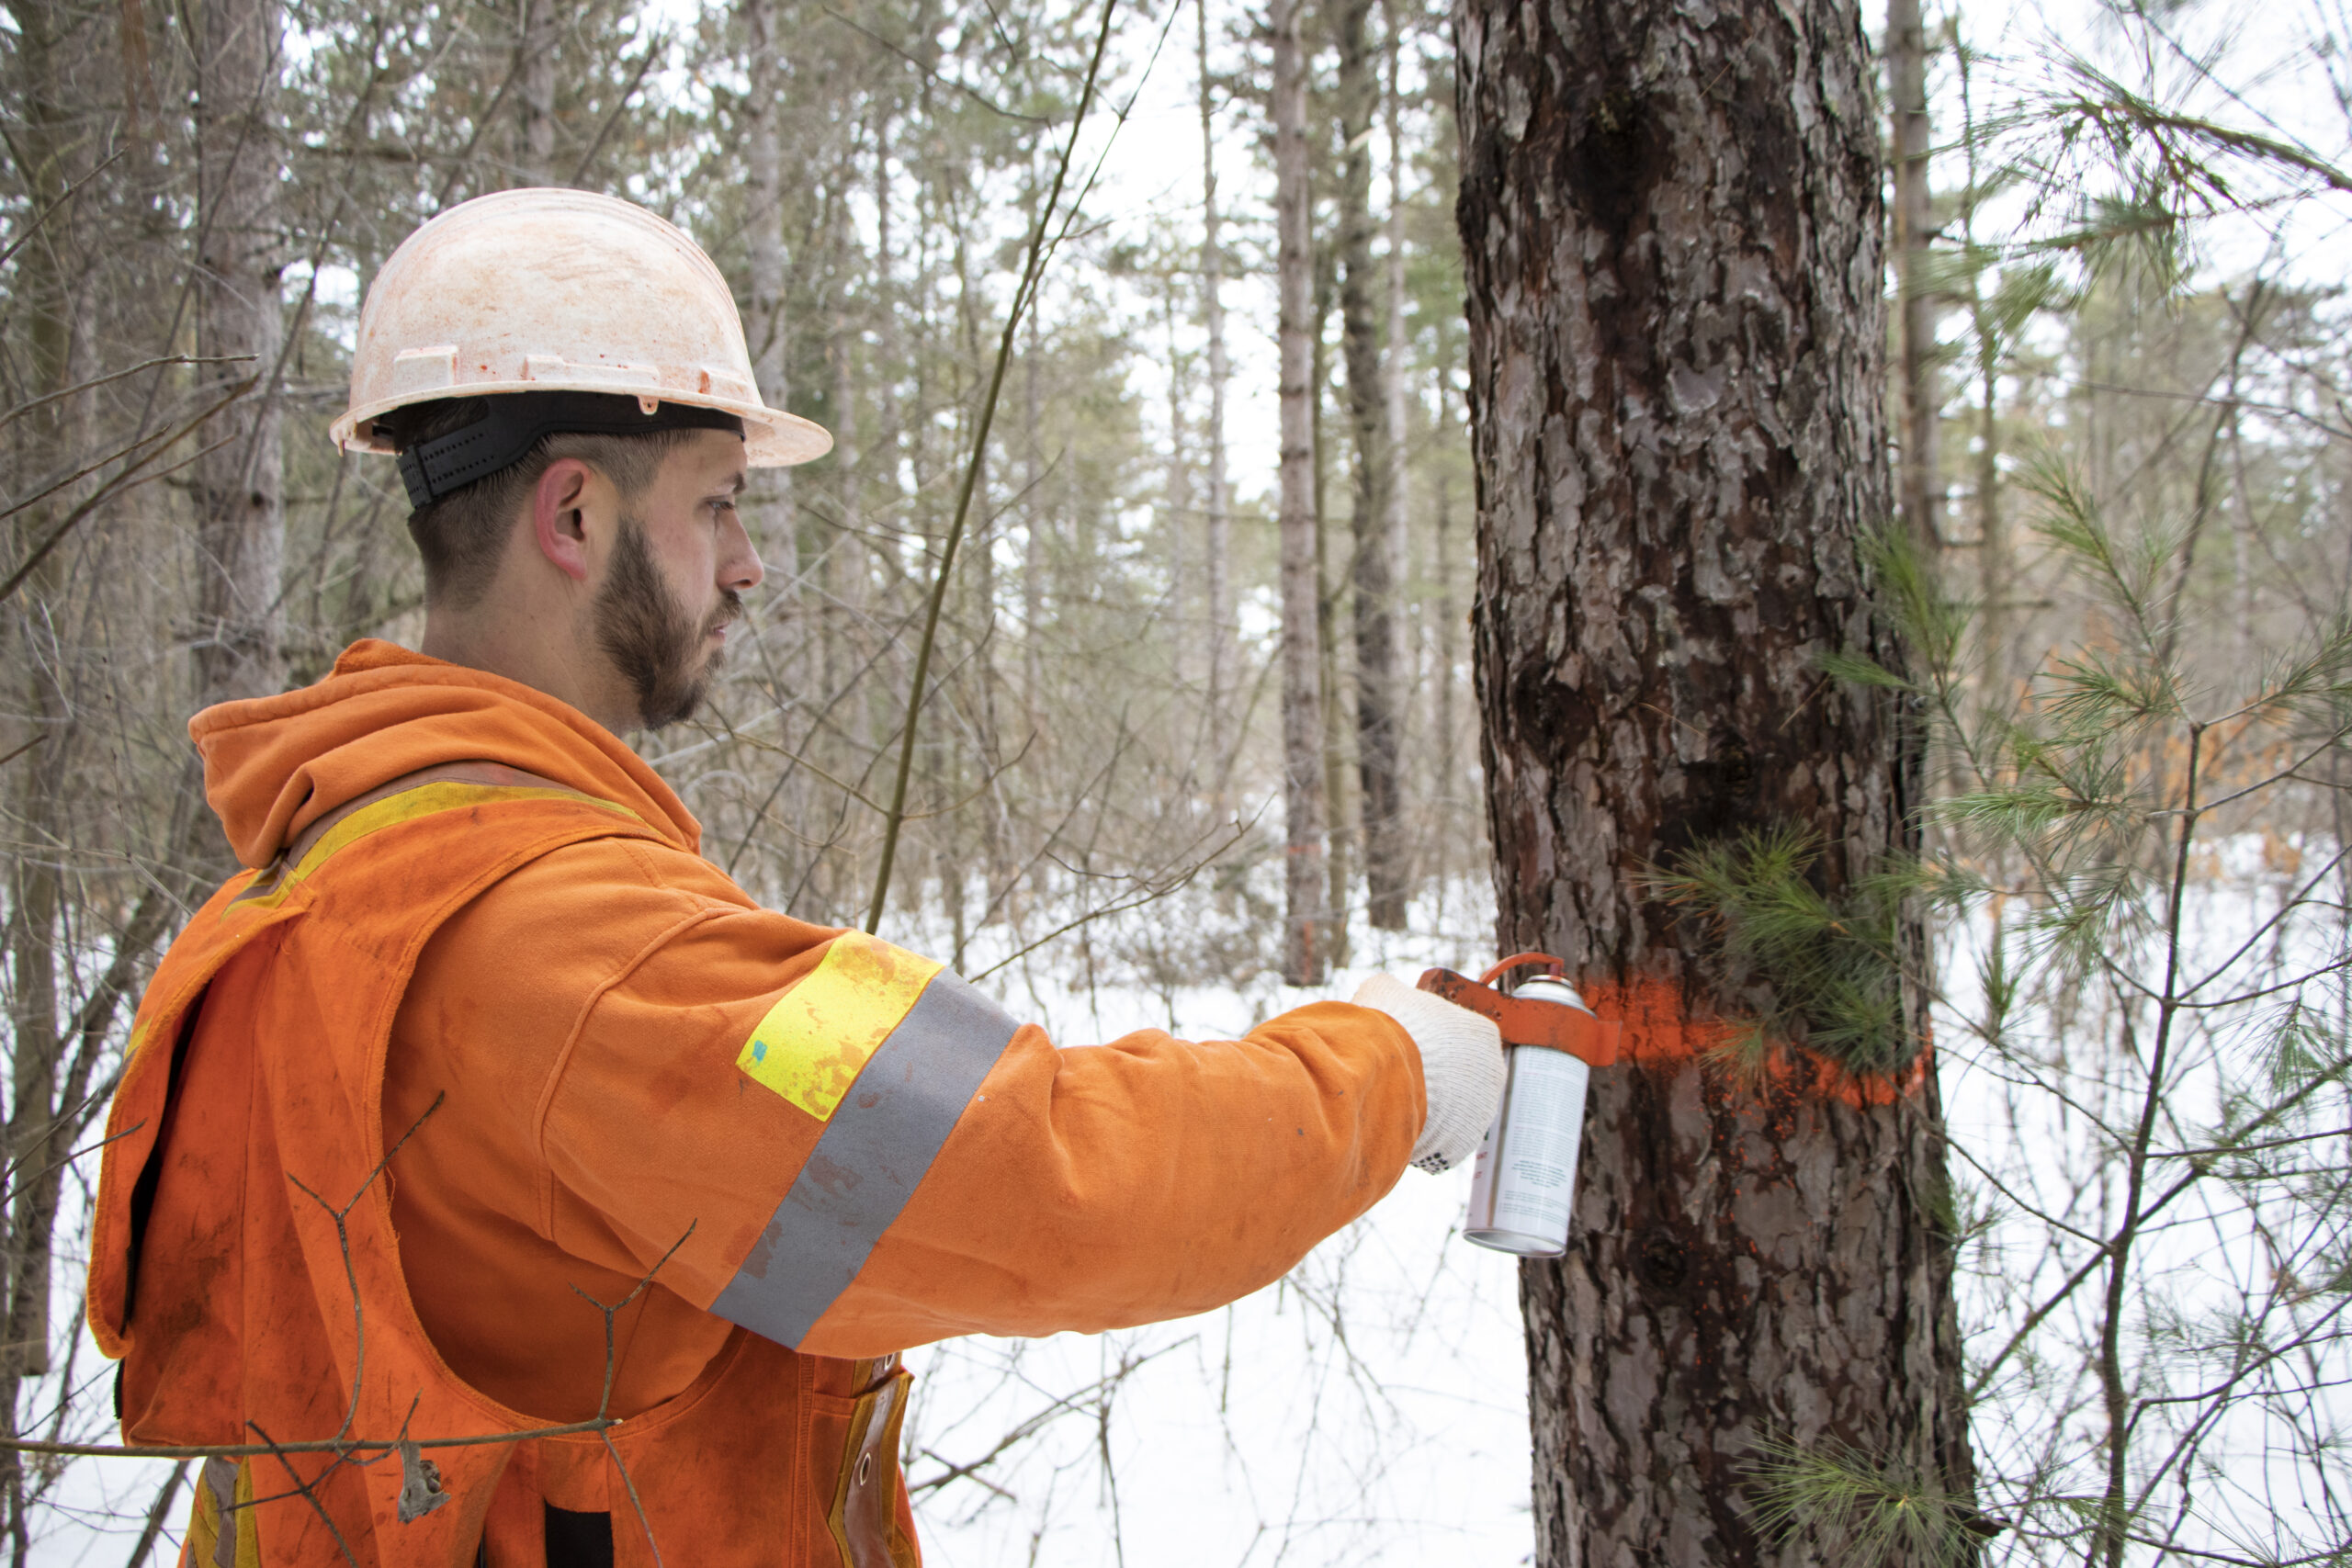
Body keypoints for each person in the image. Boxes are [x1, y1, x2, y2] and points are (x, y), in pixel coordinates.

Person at [85, 189, 1505, 1568]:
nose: (750, 565)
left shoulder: (331, 869)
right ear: (574, 518)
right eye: (717, 506)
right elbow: (1054, 1175)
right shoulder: (572, 952)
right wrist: (1395, 1068)